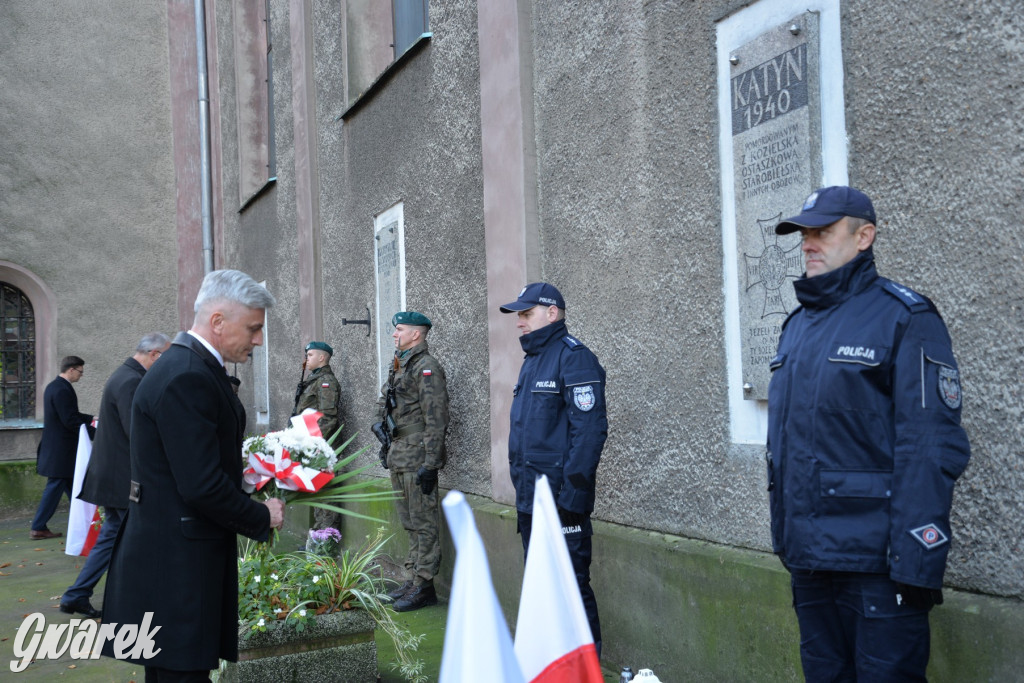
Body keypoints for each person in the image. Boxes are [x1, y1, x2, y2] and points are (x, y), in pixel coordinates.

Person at [766, 186, 971, 681]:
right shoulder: (796, 327)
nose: (808, 243)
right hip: (812, 563)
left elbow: (929, 446)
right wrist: (787, 542)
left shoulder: (905, 317)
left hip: (879, 568)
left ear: (865, 237)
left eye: (822, 231)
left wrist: (917, 563)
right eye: (804, 233)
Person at [101, 270, 285, 680]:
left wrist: (251, 474)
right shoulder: (187, 375)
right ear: (218, 322)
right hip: (176, 566)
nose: (258, 339)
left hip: (174, 553)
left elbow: (190, 462)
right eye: (253, 328)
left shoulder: (190, 366)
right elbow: (200, 485)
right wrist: (262, 515)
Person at [499, 282, 608, 657]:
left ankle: (586, 672)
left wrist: (573, 498)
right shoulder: (533, 362)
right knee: (541, 593)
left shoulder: (574, 358)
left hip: (562, 502)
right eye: (519, 316)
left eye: (526, 314)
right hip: (532, 500)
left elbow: (590, 431)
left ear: (552, 313)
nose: (520, 323)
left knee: (572, 592)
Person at [59, 333, 171, 619]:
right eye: (165, 357)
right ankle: (136, 602)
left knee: (113, 538)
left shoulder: (125, 376)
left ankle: (77, 594)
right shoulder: (131, 381)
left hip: (116, 477)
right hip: (123, 479)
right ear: (155, 354)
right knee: (137, 541)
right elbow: (138, 433)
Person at [377, 311, 449, 612]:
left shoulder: (427, 367)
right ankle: (413, 575)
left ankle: (425, 585)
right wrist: (379, 427)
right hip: (399, 453)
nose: (395, 334)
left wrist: (431, 463)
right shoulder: (401, 364)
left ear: (416, 334)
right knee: (409, 522)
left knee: (424, 523)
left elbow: (436, 418)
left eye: (400, 329)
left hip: (417, 455)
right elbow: (386, 400)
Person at [30, 355, 94, 540]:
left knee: (76, 488)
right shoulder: (62, 390)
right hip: (61, 452)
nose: (80, 376)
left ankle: (85, 523)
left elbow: (69, 415)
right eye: (80, 372)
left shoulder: (55, 387)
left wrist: (91, 418)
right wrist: (94, 433)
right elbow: (70, 420)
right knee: (55, 489)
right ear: (71, 369)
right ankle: (38, 527)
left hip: (59, 450)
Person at [292, 341, 341, 441]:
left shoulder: (326, 381)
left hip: (319, 442)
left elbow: (327, 418)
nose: (307, 359)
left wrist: (312, 441)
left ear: (321, 358)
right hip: (307, 436)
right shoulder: (314, 378)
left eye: (310, 355)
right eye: (307, 355)